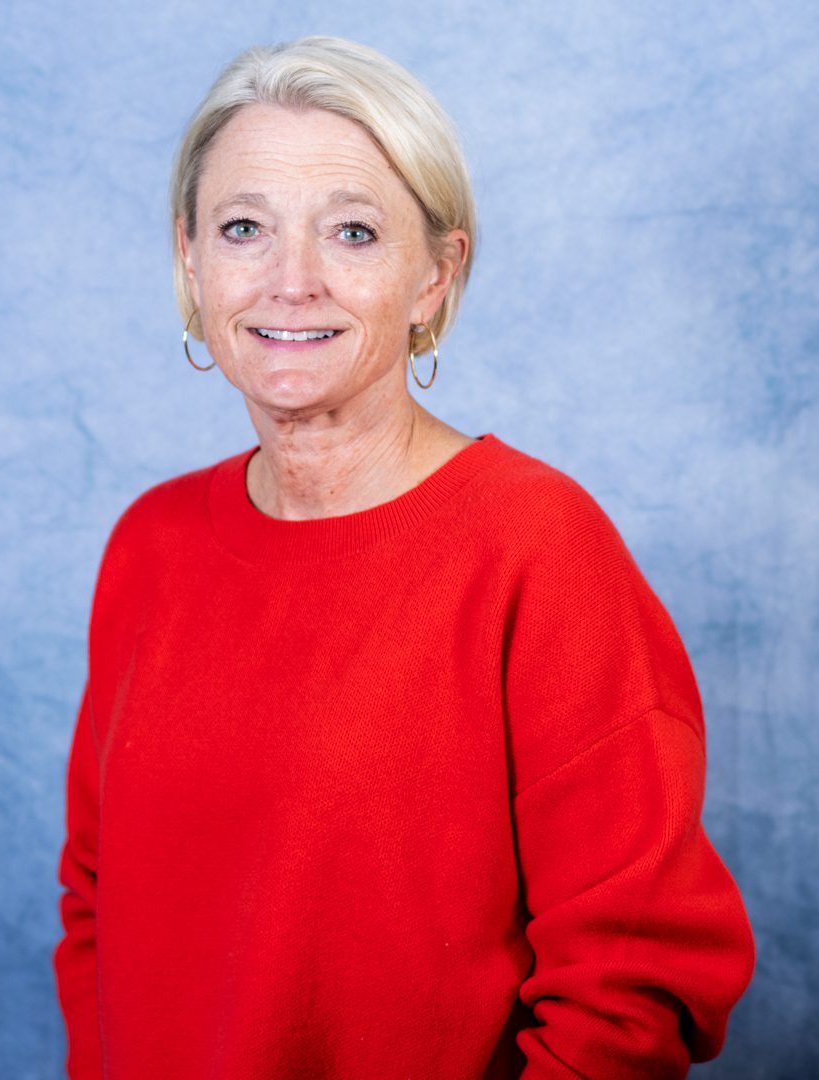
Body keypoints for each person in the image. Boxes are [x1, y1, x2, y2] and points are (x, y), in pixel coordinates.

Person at [53, 36, 755, 1079]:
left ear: (435, 274)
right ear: (193, 263)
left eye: (352, 232)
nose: (293, 282)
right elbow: (98, 905)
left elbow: (632, 980)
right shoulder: (148, 547)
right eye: (245, 228)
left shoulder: (538, 549)